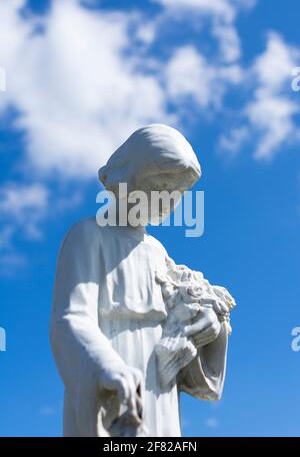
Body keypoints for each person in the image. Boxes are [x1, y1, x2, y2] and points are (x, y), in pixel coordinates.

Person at [50, 124, 233, 437]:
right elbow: (70, 319)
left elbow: (181, 323)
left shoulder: (158, 253)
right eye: (160, 185)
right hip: (110, 381)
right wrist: (104, 366)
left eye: (177, 193)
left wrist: (208, 326)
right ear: (128, 177)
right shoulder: (87, 236)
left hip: (159, 390)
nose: (168, 200)